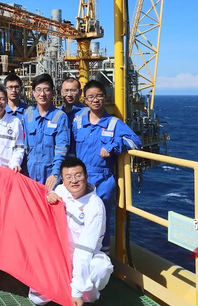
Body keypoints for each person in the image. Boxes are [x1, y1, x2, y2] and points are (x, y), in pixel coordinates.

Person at [29, 157, 113, 305]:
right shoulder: (61, 190)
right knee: (36, 299)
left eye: (78, 176)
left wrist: (77, 292)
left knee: (101, 268)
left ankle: (88, 293)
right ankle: (66, 285)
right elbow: (47, 198)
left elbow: (84, 250)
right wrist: (49, 195)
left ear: (86, 176)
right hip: (61, 256)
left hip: (85, 257)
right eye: (68, 177)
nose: (74, 181)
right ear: (62, 179)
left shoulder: (95, 207)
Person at [72, 80, 141, 252]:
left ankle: (103, 257)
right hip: (79, 178)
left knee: (101, 220)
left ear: (105, 97)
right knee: (78, 220)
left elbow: (135, 142)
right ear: (85, 100)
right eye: (91, 97)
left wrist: (113, 146)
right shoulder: (78, 121)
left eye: (99, 96)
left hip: (103, 180)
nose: (95, 100)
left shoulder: (114, 124)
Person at [23, 74, 70, 191]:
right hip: (30, 171)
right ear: (33, 93)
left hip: (50, 172)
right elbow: (23, 146)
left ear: (53, 93)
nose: (42, 94)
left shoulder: (60, 116)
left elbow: (61, 148)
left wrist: (55, 173)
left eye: (46, 90)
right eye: (38, 90)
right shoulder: (28, 116)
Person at [59, 76, 85, 157]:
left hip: (81, 160)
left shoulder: (88, 114)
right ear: (61, 92)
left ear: (80, 92)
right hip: (60, 160)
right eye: (66, 91)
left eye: (73, 91)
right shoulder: (56, 114)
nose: (69, 94)